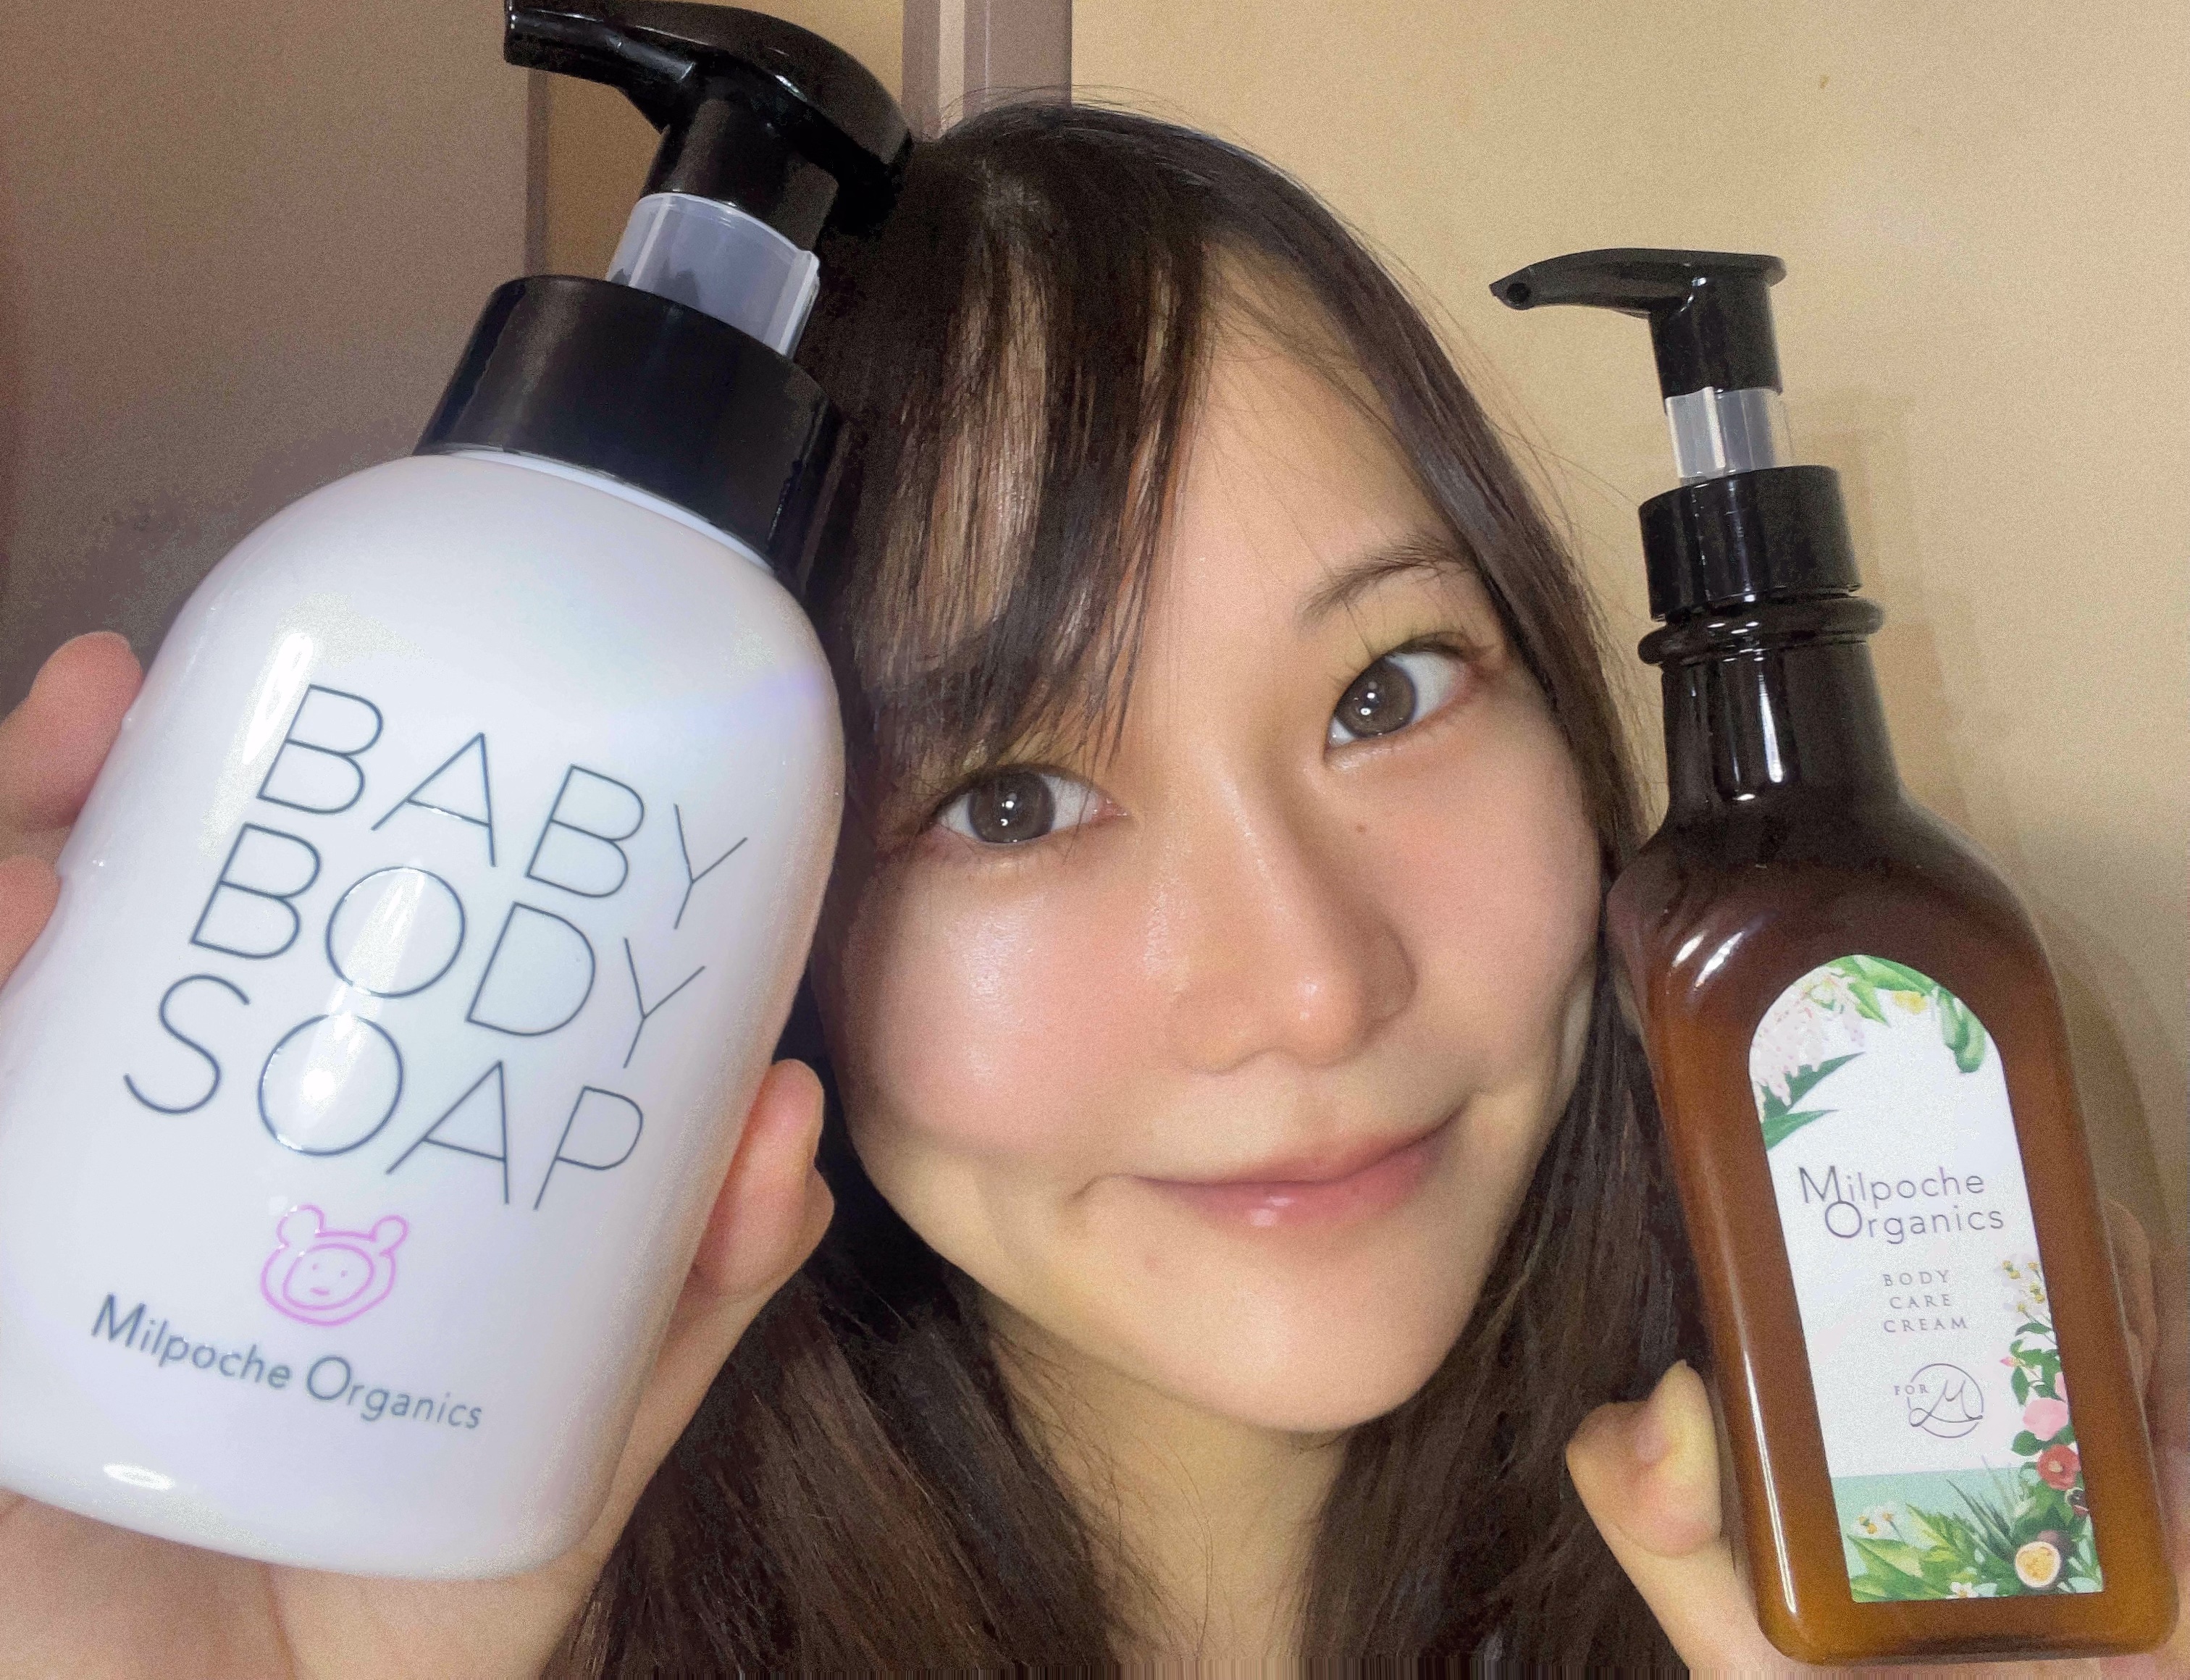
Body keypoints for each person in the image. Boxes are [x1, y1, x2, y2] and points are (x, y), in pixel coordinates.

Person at [0, 104, 2178, 1675]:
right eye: (1013, 801)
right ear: (735, 942)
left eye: (1392, 690)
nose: (1310, 987)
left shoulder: (1941, 1440)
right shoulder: (441, 1598)